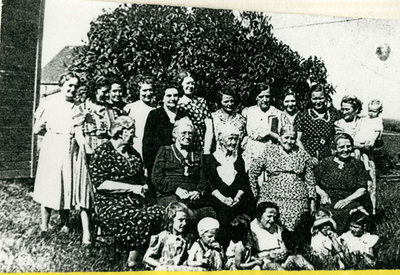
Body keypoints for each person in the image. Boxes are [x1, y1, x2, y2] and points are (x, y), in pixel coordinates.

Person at [88, 116, 164, 268]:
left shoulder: (133, 153)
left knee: (161, 212)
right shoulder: (103, 152)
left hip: (135, 199)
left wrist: (143, 185)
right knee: (138, 216)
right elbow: (100, 183)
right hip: (109, 200)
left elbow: (140, 176)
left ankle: (154, 254)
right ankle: (132, 261)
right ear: (120, 132)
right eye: (132, 132)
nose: (134, 136)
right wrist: (132, 188)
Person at [249, 124, 316, 247]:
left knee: (300, 224)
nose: (289, 141)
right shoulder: (269, 152)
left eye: (292, 138)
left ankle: (296, 250)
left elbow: (310, 179)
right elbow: (252, 172)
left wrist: (312, 200)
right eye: (286, 137)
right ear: (279, 137)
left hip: (297, 199)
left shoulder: (302, 154)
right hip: (273, 196)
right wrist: (256, 194)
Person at [33, 72, 80, 235]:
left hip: (70, 148)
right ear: (62, 85)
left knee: (67, 184)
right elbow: (37, 128)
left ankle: (65, 222)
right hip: (53, 146)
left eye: (75, 86)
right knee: (50, 184)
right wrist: (52, 134)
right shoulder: (49, 102)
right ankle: (44, 226)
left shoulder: (77, 106)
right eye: (70, 85)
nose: (72, 89)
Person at [151, 118, 213, 219]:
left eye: (190, 133)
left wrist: (198, 191)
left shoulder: (197, 154)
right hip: (170, 195)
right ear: (175, 133)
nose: (187, 137)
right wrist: (175, 189)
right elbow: (156, 178)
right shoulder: (165, 151)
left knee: (209, 213)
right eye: (184, 133)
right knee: (180, 212)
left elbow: (203, 178)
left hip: (192, 196)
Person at [315, 133, 370, 233]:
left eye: (348, 146)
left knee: (353, 215)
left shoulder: (357, 164)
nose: (345, 149)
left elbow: (363, 188)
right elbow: (315, 184)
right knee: (325, 215)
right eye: (341, 147)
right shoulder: (325, 163)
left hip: (350, 199)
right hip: (329, 199)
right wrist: (323, 194)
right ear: (334, 149)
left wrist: (346, 200)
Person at [207, 123, 255, 232]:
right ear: (221, 140)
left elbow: (243, 182)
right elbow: (210, 184)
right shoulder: (211, 159)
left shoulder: (239, 159)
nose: (233, 142)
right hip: (218, 200)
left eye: (236, 139)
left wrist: (237, 197)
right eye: (230, 139)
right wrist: (224, 199)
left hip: (236, 199)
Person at [250, 202, 314, 270]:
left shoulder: (276, 227)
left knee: (299, 258)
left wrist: (283, 252)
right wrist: (268, 256)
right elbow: (249, 257)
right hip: (264, 263)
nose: (272, 220)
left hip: (279, 260)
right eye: (269, 216)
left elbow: (283, 246)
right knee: (275, 267)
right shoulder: (251, 229)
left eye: (274, 217)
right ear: (259, 215)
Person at [294, 84, 339, 165]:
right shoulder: (303, 115)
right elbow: (297, 139)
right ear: (310, 99)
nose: (318, 102)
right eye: (314, 99)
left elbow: (337, 135)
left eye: (321, 98)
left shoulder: (333, 114)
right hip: (307, 159)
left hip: (328, 158)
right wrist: (308, 157)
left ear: (325, 98)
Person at [241, 83, 282, 170]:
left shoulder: (277, 113)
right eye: (261, 96)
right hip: (253, 152)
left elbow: (281, 136)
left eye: (267, 96)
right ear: (256, 97)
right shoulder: (248, 112)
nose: (265, 99)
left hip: (271, 151)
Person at [353, 99, 384, 215]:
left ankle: (372, 210)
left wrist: (372, 140)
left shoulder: (378, 121)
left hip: (367, 142)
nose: (371, 113)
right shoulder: (364, 119)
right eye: (370, 110)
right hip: (359, 140)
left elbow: (376, 133)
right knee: (358, 151)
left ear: (379, 111)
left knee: (365, 154)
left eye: (374, 111)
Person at [143, 202, 193, 271]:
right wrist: (160, 265)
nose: (184, 223)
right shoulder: (164, 236)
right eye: (181, 220)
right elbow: (147, 258)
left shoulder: (186, 238)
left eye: (186, 220)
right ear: (171, 219)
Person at [143, 85, 179, 177]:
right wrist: (147, 165)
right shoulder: (154, 115)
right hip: (158, 162)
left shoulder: (183, 114)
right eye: (169, 96)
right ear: (162, 98)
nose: (172, 98)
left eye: (175, 95)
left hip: (178, 162)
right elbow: (147, 141)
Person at [175, 71, 213, 154]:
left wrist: (207, 150)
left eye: (193, 84)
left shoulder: (201, 102)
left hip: (203, 143)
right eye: (188, 83)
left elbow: (209, 127)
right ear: (181, 85)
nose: (190, 86)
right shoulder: (178, 104)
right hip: (187, 142)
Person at [124, 75, 155, 158]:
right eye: (144, 90)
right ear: (138, 91)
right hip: (136, 145)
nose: (148, 93)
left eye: (150, 90)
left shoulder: (156, 108)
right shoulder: (130, 108)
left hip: (152, 147)